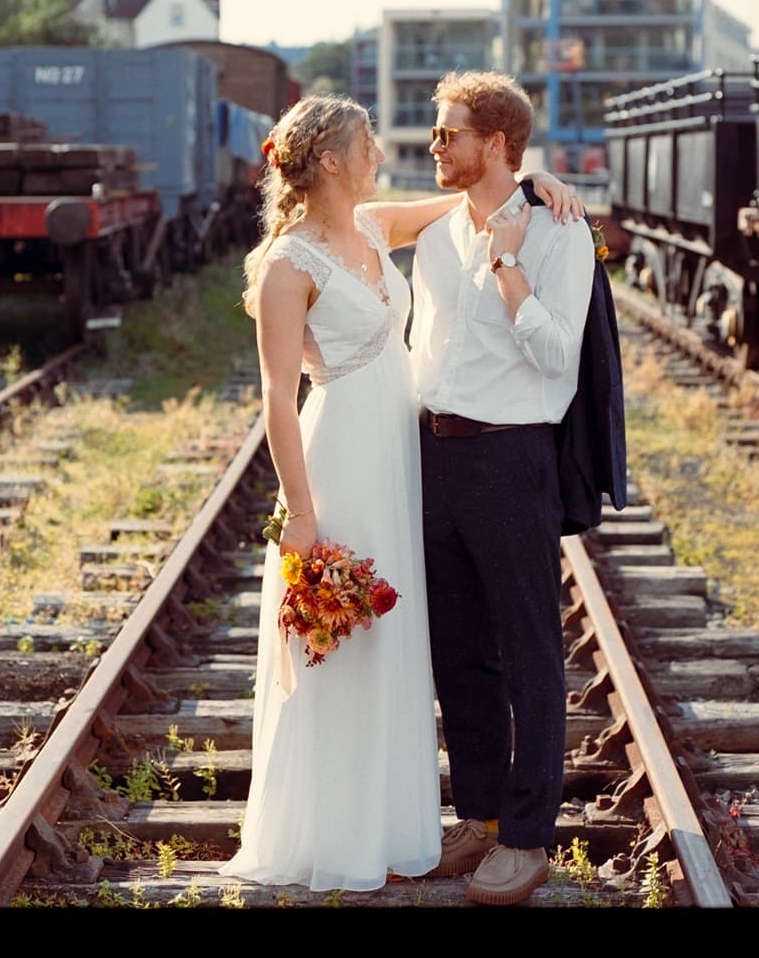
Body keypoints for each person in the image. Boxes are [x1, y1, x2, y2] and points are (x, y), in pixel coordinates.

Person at [219, 94, 583, 894]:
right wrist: (303, 513)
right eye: (368, 143)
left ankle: (392, 824)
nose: (384, 152)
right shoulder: (286, 263)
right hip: (342, 455)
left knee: (400, 638)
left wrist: (539, 178)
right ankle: (333, 831)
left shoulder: (376, 225)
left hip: (404, 454)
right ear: (329, 162)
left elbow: (474, 190)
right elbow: (279, 398)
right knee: (343, 635)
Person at [409, 70, 596, 907]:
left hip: (513, 455)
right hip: (437, 455)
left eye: (448, 133)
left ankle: (526, 836)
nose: (433, 145)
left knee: (528, 653)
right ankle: (480, 812)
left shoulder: (561, 234)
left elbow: (558, 355)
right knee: (459, 649)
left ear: (496, 143)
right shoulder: (438, 231)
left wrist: (511, 263)